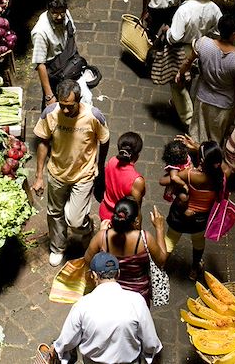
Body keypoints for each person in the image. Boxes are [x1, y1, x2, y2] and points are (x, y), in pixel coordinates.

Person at [33, 79, 110, 266]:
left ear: (79, 100)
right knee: (54, 213)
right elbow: (43, 142)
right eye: (62, 105)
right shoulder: (50, 114)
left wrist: (99, 165)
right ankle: (57, 247)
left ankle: (87, 228)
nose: (66, 110)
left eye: (70, 106)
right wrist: (39, 176)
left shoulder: (94, 116)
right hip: (57, 173)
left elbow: (104, 140)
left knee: (74, 219)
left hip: (83, 175)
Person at [50, 252, 163, 364]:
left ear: (93, 275)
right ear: (118, 273)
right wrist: (149, 356)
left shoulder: (82, 305)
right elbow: (151, 342)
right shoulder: (137, 301)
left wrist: (58, 350)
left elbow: (67, 341)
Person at [161, 135, 234, 280]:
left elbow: (164, 181)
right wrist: (198, 148)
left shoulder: (190, 175)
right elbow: (225, 164)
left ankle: (159, 264)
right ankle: (194, 269)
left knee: (169, 240)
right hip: (201, 219)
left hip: (180, 216)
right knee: (198, 242)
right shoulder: (224, 173)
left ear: (201, 160)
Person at [160, 0, 222, 127]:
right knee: (191, 76)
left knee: (177, 82)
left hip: (183, 50)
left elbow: (175, 37)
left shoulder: (184, 10)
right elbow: (217, 31)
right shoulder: (214, 8)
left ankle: (188, 119)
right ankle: (178, 104)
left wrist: (167, 33)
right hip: (202, 47)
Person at [179, 13, 235, 148]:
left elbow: (188, 61)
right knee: (216, 136)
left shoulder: (203, 43)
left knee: (199, 130)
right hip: (224, 104)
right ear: (234, 34)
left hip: (202, 98)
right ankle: (210, 159)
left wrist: (180, 73)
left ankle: (197, 153)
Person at [85, 198, 168, 306]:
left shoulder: (102, 237)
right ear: (136, 221)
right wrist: (159, 228)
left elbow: (87, 261)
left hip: (110, 296)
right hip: (138, 297)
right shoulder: (144, 239)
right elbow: (161, 260)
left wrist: (101, 232)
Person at [31, 0, 92, 107]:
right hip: (54, 73)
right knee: (53, 108)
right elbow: (40, 64)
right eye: (55, 13)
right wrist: (49, 96)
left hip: (69, 66)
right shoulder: (40, 32)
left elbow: (71, 34)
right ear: (48, 9)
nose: (59, 16)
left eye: (62, 12)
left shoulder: (66, 14)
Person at [99, 132, 146, 223]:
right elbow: (136, 210)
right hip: (121, 221)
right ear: (138, 155)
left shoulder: (112, 161)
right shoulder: (136, 181)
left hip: (104, 213)